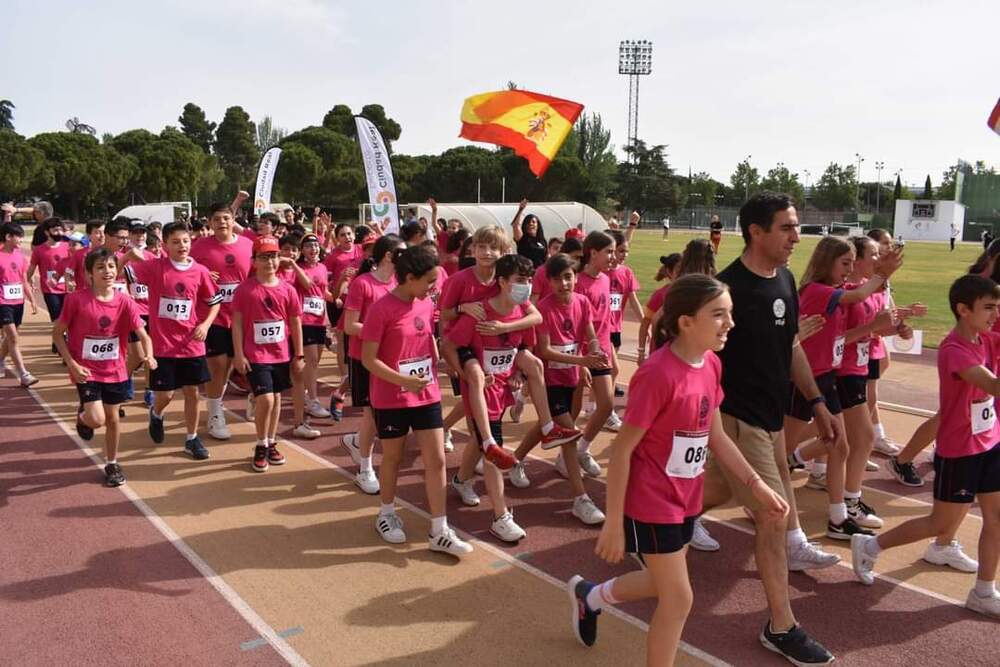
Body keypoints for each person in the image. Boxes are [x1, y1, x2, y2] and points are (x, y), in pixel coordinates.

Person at [568, 274, 789, 662]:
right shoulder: (657, 374)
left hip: (687, 496)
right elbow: (621, 452)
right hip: (651, 501)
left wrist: (756, 486)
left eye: (730, 313)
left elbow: (717, 436)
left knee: (658, 582)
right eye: (719, 315)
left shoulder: (712, 365)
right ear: (686, 322)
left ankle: (590, 596)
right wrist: (614, 522)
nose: (730, 323)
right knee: (679, 598)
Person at [700, 192, 837, 665]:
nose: (797, 237)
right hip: (739, 419)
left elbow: (791, 346)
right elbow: (703, 359)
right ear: (756, 231)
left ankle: (650, 522)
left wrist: (816, 401)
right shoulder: (726, 291)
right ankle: (782, 626)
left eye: (797, 227)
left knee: (716, 489)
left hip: (773, 416)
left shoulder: (784, 279)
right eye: (787, 228)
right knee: (772, 516)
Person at [851, 274, 1000, 619]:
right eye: (989, 308)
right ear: (964, 310)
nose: (995, 314)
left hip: (990, 442)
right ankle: (870, 545)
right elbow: (993, 386)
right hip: (960, 449)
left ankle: (983, 591)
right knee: (940, 524)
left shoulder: (987, 338)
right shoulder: (954, 350)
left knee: (996, 518)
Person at [361, 245, 473, 557]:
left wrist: (441, 362)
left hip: (426, 394)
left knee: (437, 459)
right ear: (409, 278)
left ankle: (439, 530)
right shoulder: (381, 310)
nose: (433, 288)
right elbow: (369, 360)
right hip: (391, 397)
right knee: (393, 459)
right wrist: (403, 381)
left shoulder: (424, 305)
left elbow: (426, 341)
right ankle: (386, 513)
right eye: (429, 281)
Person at [509, 252, 608, 524]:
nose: (564, 284)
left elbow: (590, 334)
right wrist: (582, 359)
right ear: (549, 283)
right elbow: (545, 350)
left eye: (568, 277)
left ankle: (514, 460)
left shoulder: (583, 302)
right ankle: (580, 499)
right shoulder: (544, 309)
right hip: (548, 381)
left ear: (576, 277)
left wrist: (593, 356)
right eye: (557, 280)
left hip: (572, 378)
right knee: (569, 434)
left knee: (549, 425)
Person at [54, 248, 154, 487]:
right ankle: (83, 417)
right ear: (89, 274)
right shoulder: (76, 300)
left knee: (113, 419)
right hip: (85, 371)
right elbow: (58, 334)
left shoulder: (125, 301)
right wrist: (72, 363)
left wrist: (149, 356)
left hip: (116, 370)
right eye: (100, 267)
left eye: (110, 266)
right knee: (97, 420)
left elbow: (144, 335)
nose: (107, 271)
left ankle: (112, 463)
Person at [123, 222, 222, 459]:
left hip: (192, 344)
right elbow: (121, 272)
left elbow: (215, 301)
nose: (182, 246)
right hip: (163, 345)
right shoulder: (155, 267)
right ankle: (157, 414)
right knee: (166, 395)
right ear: (164, 244)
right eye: (175, 242)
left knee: (192, 393)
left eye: (186, 241)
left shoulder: (199, 271)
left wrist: (205, 325)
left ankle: (191, 438)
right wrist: (126, 255)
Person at [232, 236, 303, 472]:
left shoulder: (288, 290)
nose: (270, 262)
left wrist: (299, 355)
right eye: (264, 257)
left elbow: (295, 323)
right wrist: (239, 354)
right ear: (254, 261)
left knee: (278, 399)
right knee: (266, 399)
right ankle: (260, 444)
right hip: (255, 355)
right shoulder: (245, 290)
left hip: (281, 354)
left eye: (273, 256)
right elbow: (238, 324)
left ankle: (272, 442)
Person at [340, 234, 403, 495]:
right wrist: (380, 331)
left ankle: (357, 442)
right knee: (372, 413)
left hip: (391, 358)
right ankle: (365, 467)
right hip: (364, 356)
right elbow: (349, 325)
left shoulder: (399, 283)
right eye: (402, 253)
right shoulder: (363, 284)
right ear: (388, 255)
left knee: (381, 414)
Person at [189, 203, 255, 441]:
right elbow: (187, 275)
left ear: (233, 219)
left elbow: (257, 275)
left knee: (237, 365)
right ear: (210, 222)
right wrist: (203, 275)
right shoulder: (199, 248)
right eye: (216, 219)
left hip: (243, 316)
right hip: (213, 315)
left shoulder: (248, 245)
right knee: (218, 364)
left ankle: (246, 398)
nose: (222, 223)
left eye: (226, 218)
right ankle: (216, 413)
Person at [568, 231, 617, 478]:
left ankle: (581, 449)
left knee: (606, 405)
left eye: (614, 251)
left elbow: (604, 320)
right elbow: (574, 325)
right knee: (573, 412)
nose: (613, 256)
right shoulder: (577, 283)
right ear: (593, 252)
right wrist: (580, 362)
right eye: (608, 251)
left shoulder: (606, 280)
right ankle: (563, 456)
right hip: (581, 356)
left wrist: (608, 351)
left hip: (602, 351)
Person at [606, 229, 643, 407]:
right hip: (600, 329)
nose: (624, 255)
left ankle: (597, 404)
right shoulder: (601, 273)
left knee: (608, 368)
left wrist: (645, 322)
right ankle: (604, 407)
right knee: (611, 368)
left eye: (626, 251)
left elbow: (633, 299)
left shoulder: (626, 273)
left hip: (616, 327)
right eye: (621, 251)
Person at [0, 223, 39, 386]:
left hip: (18, 302)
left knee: (11, 337)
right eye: (19, 236)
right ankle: (24, 374)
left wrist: (32, 299)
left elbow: (23, 279)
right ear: (8, 237)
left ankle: (0, 360)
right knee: (13, 337)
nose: (21, 240)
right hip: (3, 302)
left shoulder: (20, 257)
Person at [637, 254, 681, 363]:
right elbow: (645, 324)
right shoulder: (660, 295)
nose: (683, 274)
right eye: (679, 270)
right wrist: (641, 352)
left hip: (681, 351)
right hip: (659, 351)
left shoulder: (691, 294)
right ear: (669, 272)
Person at [27, 218, 69, 329]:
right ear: (47, 232)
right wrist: (28, 281)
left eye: (60, 230)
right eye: (55, 230)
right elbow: (31, 268)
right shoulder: (39, 250)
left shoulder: (68, 246)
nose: (59, 233)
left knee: (69, 319)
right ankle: (57, 343)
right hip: (50, 291)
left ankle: (66, 341)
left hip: (68, 289)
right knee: (57, 319)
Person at [511, 199, 548, 268]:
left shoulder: (542, 240)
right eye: (528, 222)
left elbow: (546, 257)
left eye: (533, 222)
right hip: (527, 272)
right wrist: (521, 209)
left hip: (540, 272)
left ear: (538, 225)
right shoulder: (522, 239)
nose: (530, 224)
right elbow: (515, 225)